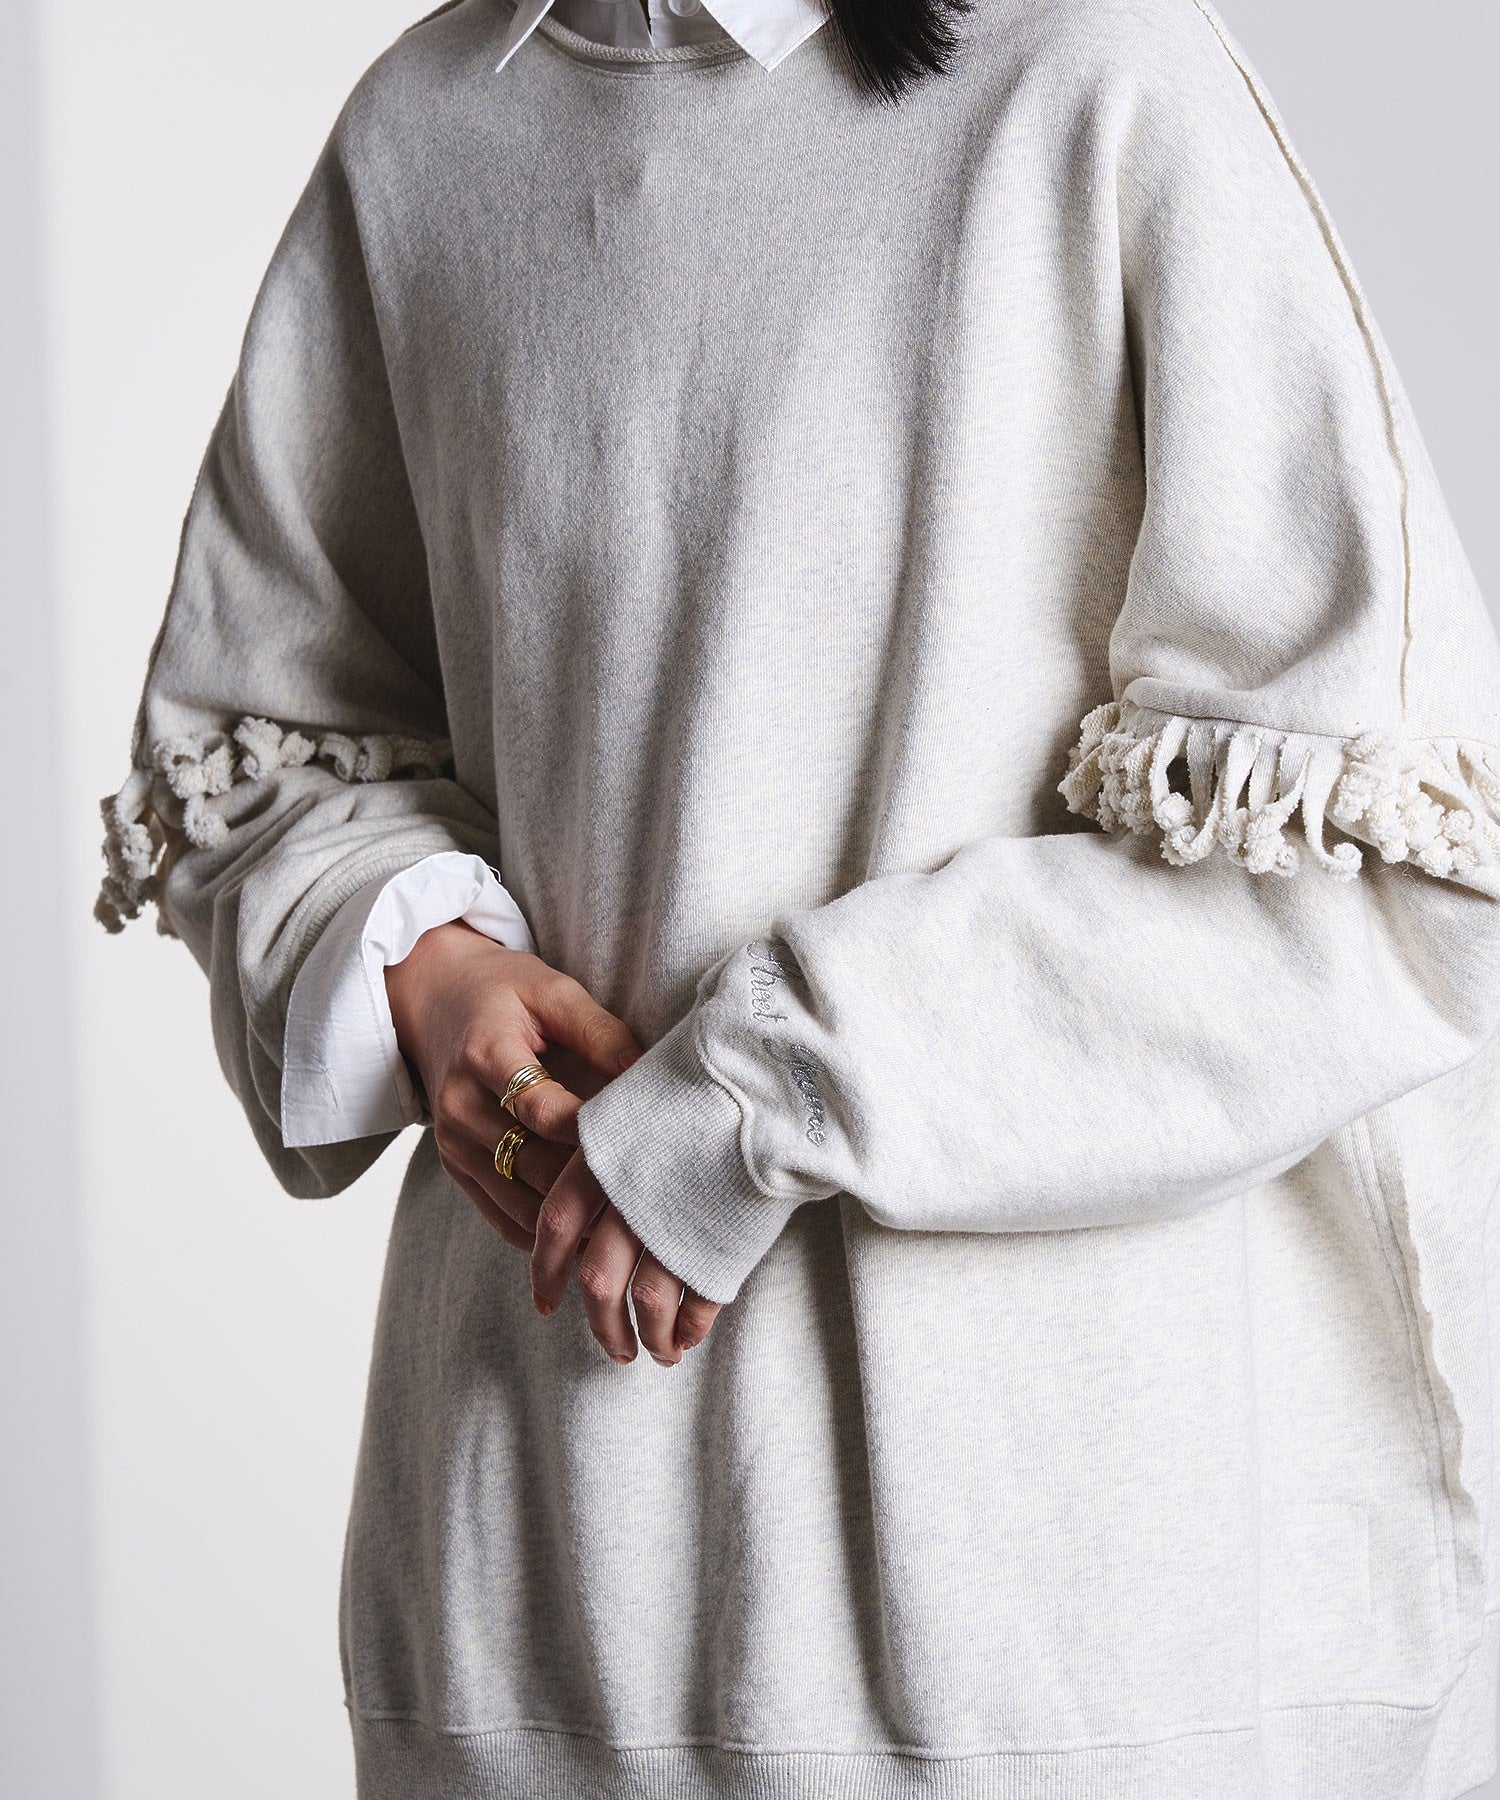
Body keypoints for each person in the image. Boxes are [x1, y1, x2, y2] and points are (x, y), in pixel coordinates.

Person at [94, 0, 1500, 1795]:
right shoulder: (427, 131)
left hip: (1050, 1644)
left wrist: (771, 1084)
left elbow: (1374, 876)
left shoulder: (1096, 77)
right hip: (531, 1604)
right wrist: (426, 967)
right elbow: (264, 736)